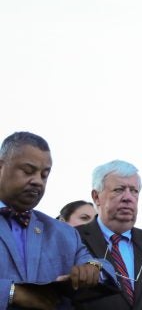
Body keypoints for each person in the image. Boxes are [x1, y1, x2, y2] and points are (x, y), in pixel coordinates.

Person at [0, 132, 108, 310]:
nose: (38, 182)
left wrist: (93, 268)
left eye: (44, 175)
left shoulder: (63, 233)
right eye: (28, 171)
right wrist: (13, 293)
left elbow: (99, 266)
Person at [75, 160, 142, 310]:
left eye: (134, 190)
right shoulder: (74, 240)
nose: (128, 197)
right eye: (119, 190)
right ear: (96, 197)